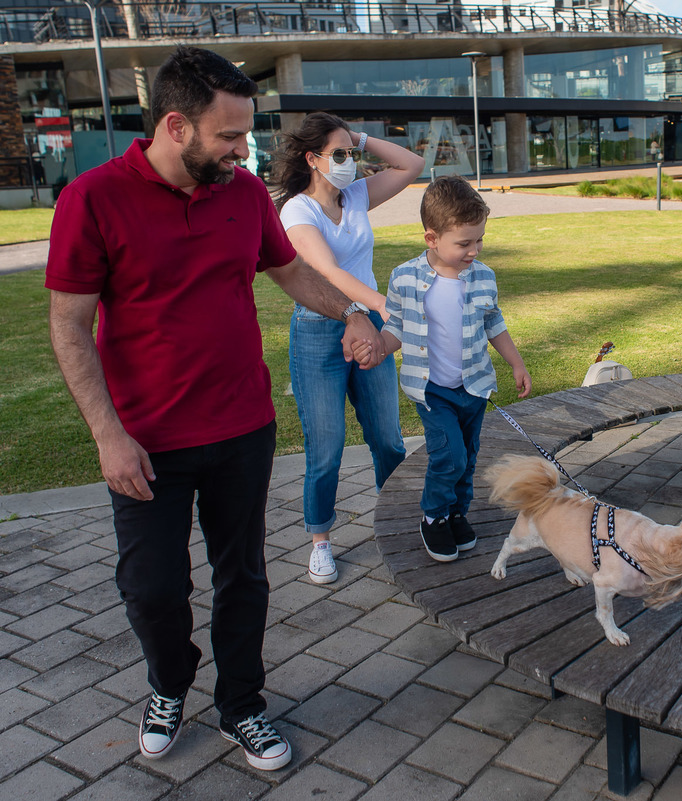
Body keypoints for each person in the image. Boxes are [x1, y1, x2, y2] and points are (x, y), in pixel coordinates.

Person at [45, 46, 386, 772]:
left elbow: (290, 270)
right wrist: (107, 435)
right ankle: (170, 682)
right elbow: (69, 325)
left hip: (241, 427)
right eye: (230, 136)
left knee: (245, 577)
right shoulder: (94, 198)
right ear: (176, 125)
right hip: (145, 440)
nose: (245, 150)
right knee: (152, 587)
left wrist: (353, 312)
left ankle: (242, 704)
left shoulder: (243, 194)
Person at [273, 113, 423, 585]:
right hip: (319, 329)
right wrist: (390, 306)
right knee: (327, 447)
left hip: (373, 324)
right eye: (337, 155)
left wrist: (358, 136)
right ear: (312, 159)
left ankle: (399, 521)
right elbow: (330, 275)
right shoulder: (297, 211)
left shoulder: (356, 195)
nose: (348, 162)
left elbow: (412, 164)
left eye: (351, 154)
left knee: (386, 436)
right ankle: (320, 541)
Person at [360, 175, 531, 562]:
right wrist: (379, 348)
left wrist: (516, 363)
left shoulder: (483, 276)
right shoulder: (405, 277)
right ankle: (434, 516)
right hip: (432, 389)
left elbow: (494, 324)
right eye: (464, 243)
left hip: (472, 386)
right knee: (448, 454)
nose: (474, 250)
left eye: (479, 240)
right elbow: (396, 328)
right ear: (432, 238)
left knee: (468, 456)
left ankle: (457, 512)